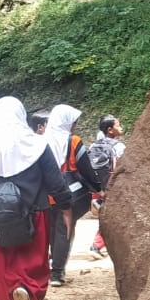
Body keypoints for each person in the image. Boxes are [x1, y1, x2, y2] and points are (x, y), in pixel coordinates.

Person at [0, 97, 73, 300]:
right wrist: (66, 208)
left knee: (2, 262)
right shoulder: (37, 145)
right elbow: (55, 182)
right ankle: (27, 292)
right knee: (33, 259)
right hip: (34, 212)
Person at [40, 104, 101, 287]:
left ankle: (48, 268)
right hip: (68, 194)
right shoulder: (73, 141)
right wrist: (98, 187)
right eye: (73, 122)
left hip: (45, 194)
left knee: (50, 232)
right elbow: (86, 168)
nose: (74, 126)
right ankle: (57, 273)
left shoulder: (41, 140)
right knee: (64, 230)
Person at [88, 115, 125, 260]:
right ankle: (96, 245)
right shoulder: (118, 146)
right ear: (110, 130)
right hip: (111, 185)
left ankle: (98, 245)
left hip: (97, 186)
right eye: (118, 125)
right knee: (113, 217)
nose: (121, 128)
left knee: (106, 217)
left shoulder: (93, 145)